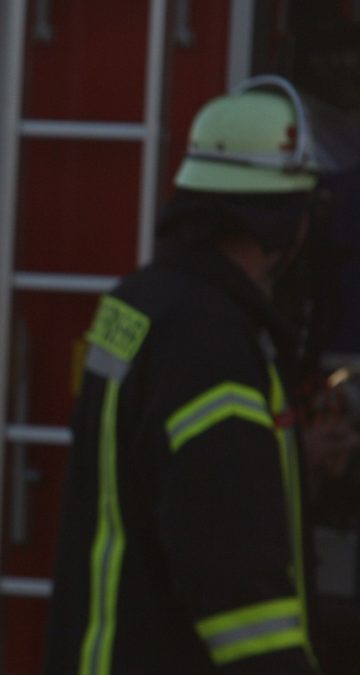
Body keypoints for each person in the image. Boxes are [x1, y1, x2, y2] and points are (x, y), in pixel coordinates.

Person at [44, 76, 324, 674]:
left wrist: (293, 454)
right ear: (287, 219)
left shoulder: (140, 303)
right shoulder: (211, 340)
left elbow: (160, 466)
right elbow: (233, 570)